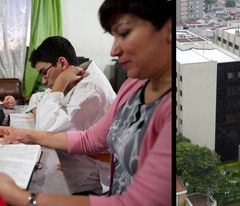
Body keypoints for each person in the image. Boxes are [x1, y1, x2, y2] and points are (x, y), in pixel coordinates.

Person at [0, 0, 171, 205]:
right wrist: (23, 134)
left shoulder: (93, 88)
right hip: (114, 187)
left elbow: (134, 201)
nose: (114, 50)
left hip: (97, 178)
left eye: (124, 33)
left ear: (168, 29)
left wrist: (23, 198)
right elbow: (89, 139)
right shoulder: (133, 85)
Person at [26, 36, 117, 194]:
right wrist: (55, 90)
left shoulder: (92, 88)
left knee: (26, 186)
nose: (44, 80)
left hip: (93, 170)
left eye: (44, 73)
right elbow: (37, 98)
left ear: (62, 63)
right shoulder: (75, 76)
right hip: (78, 159)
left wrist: (60, 82)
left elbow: (46, 131)